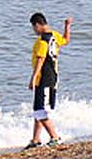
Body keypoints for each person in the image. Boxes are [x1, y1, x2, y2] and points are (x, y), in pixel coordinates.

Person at [27, 12, 70, 147]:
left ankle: (55, 137)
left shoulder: (42, 41)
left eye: (34, 28)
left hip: (45, 78)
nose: (34, 31)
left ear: (38, 25)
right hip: (52, 77)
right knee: (38, 110)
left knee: (40, 111)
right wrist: (67, 26)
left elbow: (41, 59)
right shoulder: (54, 36)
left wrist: (33, 78)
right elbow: (65, 40)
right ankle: (35, 140)